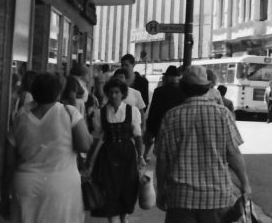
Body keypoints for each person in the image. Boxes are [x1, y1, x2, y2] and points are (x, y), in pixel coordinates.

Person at [155, 65, 250, 222]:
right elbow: (233, 154)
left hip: (181, 198)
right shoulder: (223, 114)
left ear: (183, 88)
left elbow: (162, 160)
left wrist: (160, 191)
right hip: (217, 198)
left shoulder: (170, 117)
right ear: (206, 88)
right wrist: (245, 183)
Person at [0, 72, 93, 222]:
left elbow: (9, 163)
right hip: (62, 188)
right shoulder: (69, 113)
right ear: (58, 92)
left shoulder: (20, 118)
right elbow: (86, 145)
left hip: (26, 186)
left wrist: (4, 196)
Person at [90, 76, 146, 223]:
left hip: (127, 154)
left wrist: (140, 157)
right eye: (111, 92)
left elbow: (138, 136)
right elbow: (96, 138)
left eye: (116, 92)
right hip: (108, 155)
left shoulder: (132, 111)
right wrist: (89, 161)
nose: (113, 95)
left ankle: (124, 217)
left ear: (123, 94)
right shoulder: (100, 113)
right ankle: (113, 220)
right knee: (109, 188)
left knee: (127, 187)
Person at [144, 65, 186, 155]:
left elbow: (153, 111)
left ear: (167, 77)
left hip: (161, 126)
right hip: (178, 126)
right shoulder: (184, 91)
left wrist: (150, 129)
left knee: (162, 155)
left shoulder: (159, 91)